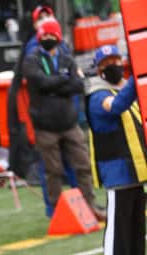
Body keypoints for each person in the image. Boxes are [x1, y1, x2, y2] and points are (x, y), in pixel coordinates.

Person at [22, 18, 100, 220]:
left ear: (57, 36)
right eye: (44, 34)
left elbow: (78, 85)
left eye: (51, 34)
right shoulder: (32, 59)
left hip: (68, 122)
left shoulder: (67, 58)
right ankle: (57, 213)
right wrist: (63, 80)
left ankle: (90, 207)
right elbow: (39, 82)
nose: (47, 37)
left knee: (83, 164)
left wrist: (55, 85)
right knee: (53, 171)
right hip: (45, 125)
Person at [86, 45, 147, 255]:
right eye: (107, 62)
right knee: (118, 227)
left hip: (135, 170)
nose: (114, 65)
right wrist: (139, 75)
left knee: (136, 225)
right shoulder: (98, 96)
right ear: (99, 69)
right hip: (117, 171)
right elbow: (119, 106)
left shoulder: (121, 88)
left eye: (116, 60)